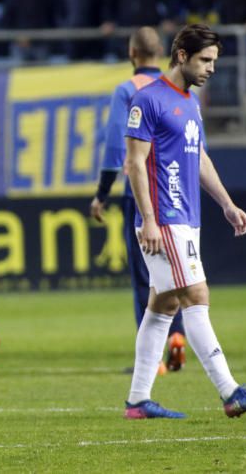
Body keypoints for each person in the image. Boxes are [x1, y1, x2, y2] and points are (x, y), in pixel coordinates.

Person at [122, 24, 246, 419]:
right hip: (165, 218)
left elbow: (199, 157)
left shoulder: (190, 103)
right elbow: (134, 163)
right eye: (206, 60)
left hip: (187, 217)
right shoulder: (148, 100)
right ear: (182, 56)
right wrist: (150, 220)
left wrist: (226, 203)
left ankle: (138, 400)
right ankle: (231, 392)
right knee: (196, 295)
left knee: (163, 305)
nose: (211, 69)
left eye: (215, 62)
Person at [90, 27, 186, 375]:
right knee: (176, 272)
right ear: (160, 53)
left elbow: (118, 146)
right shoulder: (175, 87)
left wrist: (102, 193)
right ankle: (178, 335)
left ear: (132, 54)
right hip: (177, 196)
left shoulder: (127, 91)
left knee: (144, 278)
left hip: (140, 194)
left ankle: (154, 359)